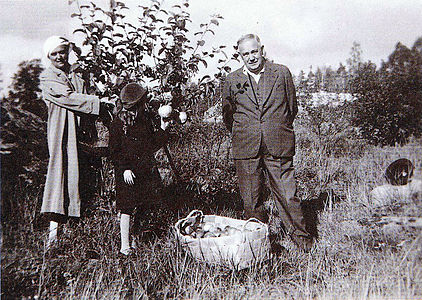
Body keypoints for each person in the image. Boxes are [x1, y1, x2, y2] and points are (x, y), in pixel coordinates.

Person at [222, 34, 313, 252]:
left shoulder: (281, 73)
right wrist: (248, 131)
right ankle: (260, 247)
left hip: (278, 143)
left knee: (288, 195)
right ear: (240, 56)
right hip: (246, 146)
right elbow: (228, 115)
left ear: (262, 49)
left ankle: (302, 243)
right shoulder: (232, 80)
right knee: (252, 201)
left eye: (254, 51)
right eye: (246, 54)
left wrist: (274, 127)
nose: (251, 57)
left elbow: (292, 108)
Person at [40, 36, 114, 249]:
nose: (58, 57)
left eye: (61, 52)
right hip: (62, 132)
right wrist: (98, 102)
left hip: (79, 132)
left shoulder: (77, 75)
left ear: (67, 52)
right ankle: (53, 232)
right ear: (49, 57)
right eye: (54, 54)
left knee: (78, 174)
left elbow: (86, 93)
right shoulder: (48, 79)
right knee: (60, 171)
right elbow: (69, 98)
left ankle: (74, 224)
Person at [109, 83, 170, 256]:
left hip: (145, 169)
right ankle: (125, 245)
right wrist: (125, 169)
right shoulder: (117, 124)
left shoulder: (144, 120)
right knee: (127, 207)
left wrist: (163, 128)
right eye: (143, 101)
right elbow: (114, 151)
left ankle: (136, 236)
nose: (146, 104)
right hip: (127, 173)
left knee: (145, 203)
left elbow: (153, 144)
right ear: (138, 103)